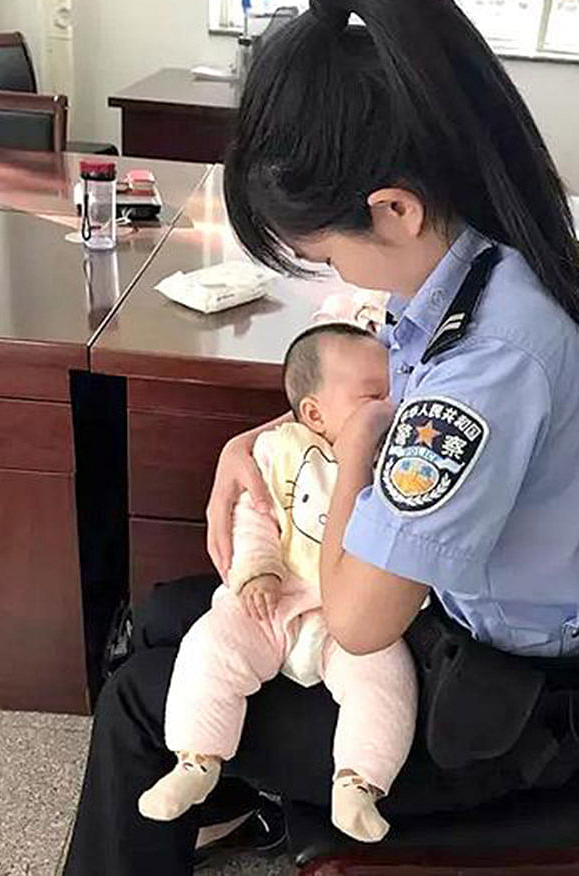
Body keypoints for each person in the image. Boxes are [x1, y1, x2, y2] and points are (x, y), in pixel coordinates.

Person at [64, 0, 579, 873]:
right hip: (458, 627)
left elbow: (359, 620)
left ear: (393, 207)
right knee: (170, 615)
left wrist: (348, 452)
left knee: (138, 699)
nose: (339, 281)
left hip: (503, 711)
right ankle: (238, 787)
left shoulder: (489, 362)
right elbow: (390, 400)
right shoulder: (485, 258)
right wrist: (247, 447)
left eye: (326, 255)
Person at [138, 324, 417, 843]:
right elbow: (255, 515)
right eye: (375, 396)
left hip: (352, 618)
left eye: (396, 392)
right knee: (210, 646)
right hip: (278, 598)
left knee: (384, 681)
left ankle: (359, 781)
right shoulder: (280, 451)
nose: (392, 405)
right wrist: (258, 571)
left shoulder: (398, 454)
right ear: (313, 413)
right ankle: (197, 760)